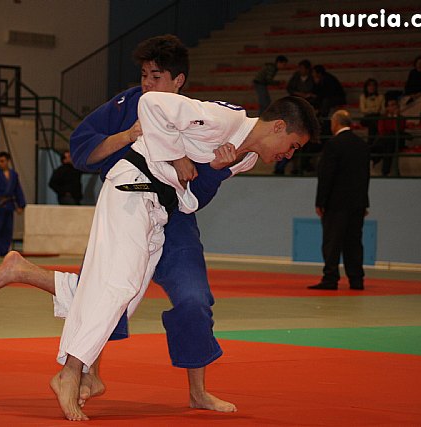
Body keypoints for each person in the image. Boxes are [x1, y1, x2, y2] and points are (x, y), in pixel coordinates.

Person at [0, 34, 241, 415]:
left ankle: (197, 391)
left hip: (176, 220)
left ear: (178, 80)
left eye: (157, 77)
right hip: (127, 207)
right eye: (144, 75)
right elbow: (82, 150)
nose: (147, 84)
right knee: (108, 291)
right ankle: (83, 372)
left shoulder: (199, 117)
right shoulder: (127, 104)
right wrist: (127, 136)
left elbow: (200, 190)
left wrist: (212, 167)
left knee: (193, 300)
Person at [54, 93, 318, 421]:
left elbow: (189, 199)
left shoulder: (246, 159)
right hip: (134, 186)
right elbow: (150, 104)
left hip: (162, 207)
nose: (289, 155)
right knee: (119, 283)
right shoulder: (223, 120)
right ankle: (71, 371)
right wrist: (177, 156)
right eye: (293, 145)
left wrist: (216, 170)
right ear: (278, 127)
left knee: (128, 296)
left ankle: (79, 370)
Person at [309, 110, 370, 291]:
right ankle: (356, 280)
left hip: (336, 203)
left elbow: (326, 175)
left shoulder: (333, 145)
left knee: (332, 242)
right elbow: (365, 176)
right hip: (357, 203)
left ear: (335, 123)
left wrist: (320, 201)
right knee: (354, 242)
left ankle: (330, 278)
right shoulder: (362, 145)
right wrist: (364, 202)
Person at [275, 59, 314, 174]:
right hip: (294, 129)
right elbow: (290, 88)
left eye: (302, 68)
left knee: (297, 149)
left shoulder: (311, 79)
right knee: (288, 148)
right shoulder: (296, 77)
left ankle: (297, 168)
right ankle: (279, 168)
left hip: (302, 129)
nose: (300, 70)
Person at [0, 151, 26, 256]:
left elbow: (18, 190)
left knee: (7, 230)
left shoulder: (14, 175)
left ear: (8, 161)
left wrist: (21, 205)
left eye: (2, 161)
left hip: (9, 205)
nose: (0, 163)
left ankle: (4, 251)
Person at [370, 98, 410, 176]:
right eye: (391, 105)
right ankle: (385, 171)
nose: (394, 107)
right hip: (386, 141)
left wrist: (395, 117)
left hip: (397, 141)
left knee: (390, 140)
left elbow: (397, 130)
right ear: (387, 108)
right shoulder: (383, 118)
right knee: (388, 146)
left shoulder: (401, 118)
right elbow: (381, 131)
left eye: (395, 105)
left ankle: (374, 153)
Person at [359, 78, 385, 143]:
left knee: (373, 122)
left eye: (373, 85)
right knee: (372, 121)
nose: (372, 87)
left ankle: (371, 142)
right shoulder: (363, 97)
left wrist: (371, 110)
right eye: (369, 85)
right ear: (366, 87)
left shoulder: (381, 97)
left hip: (377, 117)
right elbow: (363, 110)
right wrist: (375, 109)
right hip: (367, 117)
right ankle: (374, 142)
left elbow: (383, 110)